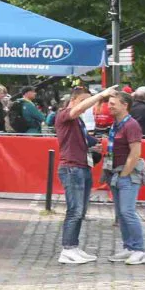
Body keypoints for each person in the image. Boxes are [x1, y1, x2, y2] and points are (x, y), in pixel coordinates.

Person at [53, 85, 103, 264]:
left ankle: (73, 246)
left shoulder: (78, 121)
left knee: (80, 211)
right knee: (74, 210)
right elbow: (77, 111)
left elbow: (83, 139)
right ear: (73, 100)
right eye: (83, 101)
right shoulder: (64, 114)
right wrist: (102, 95)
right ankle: (67, 248)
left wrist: (94, 144)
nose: (86, 105)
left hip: (82, 166)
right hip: (72, 168)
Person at [109, 93, 145, 264]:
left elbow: (135, 152)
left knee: (127, 212)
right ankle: (129, 247)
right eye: (109, 103)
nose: (109, 106)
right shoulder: (116, 124)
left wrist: (124, 174)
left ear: (125, 105)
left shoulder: (131, 125)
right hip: (116, 173)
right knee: (121, 213)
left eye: (113, 103)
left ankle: (139, 250)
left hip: (127, 175)